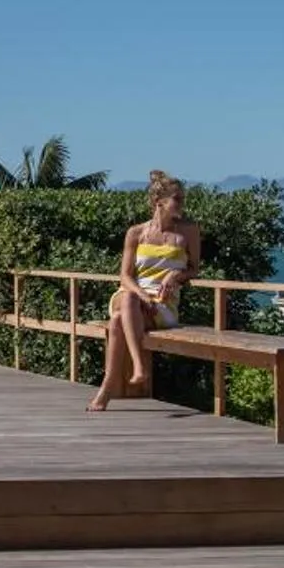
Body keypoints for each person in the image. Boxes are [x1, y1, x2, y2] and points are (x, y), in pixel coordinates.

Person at [89, 170, 201, 412]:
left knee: (118, 321)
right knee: (127, 299)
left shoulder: (188, 231)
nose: (183, 204)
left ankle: (107, 387)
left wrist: (176, 275)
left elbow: (195, 269)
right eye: (177, 199)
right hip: (132, 294)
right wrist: (141, 294)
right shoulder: (136, 233)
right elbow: (125, 276)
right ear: (159, 202)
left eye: (183, 198)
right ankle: (139, 366)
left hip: (164, 303)